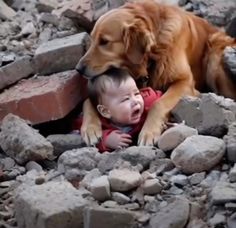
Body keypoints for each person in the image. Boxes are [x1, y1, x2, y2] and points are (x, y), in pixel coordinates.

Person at [73, 69, 162, 152]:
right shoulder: (101, 122)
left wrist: (164, 119)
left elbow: (164, 101)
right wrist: (106, 140)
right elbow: (82, 135)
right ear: (105, 111)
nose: (135, 101)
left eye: (136, 93)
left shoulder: (147, 101)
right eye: (125, 99)